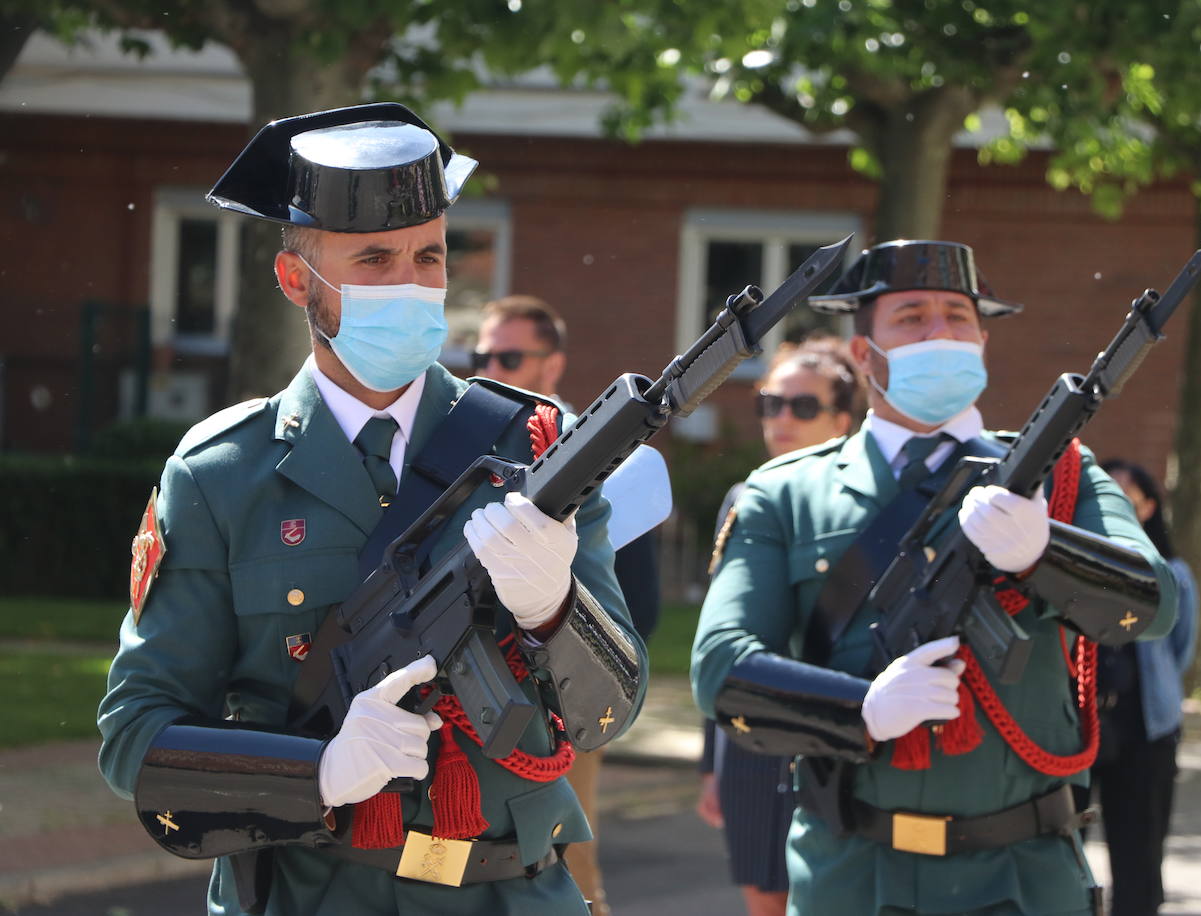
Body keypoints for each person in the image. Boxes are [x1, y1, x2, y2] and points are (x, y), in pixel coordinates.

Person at [97, 103, 647, 916]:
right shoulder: (223, 474)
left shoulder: (537, 445)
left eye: (430, 256)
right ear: (295, 281)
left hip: (510, 894)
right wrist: (312, 774)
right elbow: (136, 735)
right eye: (375, 259)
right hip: (311, 893)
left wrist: (555, 611)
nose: (412, 284)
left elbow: (613, 709)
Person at [691, 239, 1181, 916]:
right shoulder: (786, 494)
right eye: (912, 316)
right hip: (851, 876)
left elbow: (1155, 604)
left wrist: (1046, 552)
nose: (939, 333)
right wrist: (858, 711)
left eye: (956, 316)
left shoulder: (1061, 474)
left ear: (982, 340)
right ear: (864, 354)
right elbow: (722, 668)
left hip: (1023, 877)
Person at [472, 294, 663, 916]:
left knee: (566, 856)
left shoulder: (601, 448)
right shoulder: (463, 439)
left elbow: (638, 600)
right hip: (469, 690)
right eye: (481, 354)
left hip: (562, 689)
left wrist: (564, 638)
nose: (490, 365)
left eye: (509, 355)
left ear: (552, 367)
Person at [697, 338, 862, 916]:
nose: (783, 418)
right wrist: (709, 763)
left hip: (832, 729)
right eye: (772, 403)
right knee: (763, 902)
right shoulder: (745, 499)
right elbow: (719, 641)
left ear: (843, 420)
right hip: (750, 737)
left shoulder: (867, 507)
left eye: (803, 406)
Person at [1076, 460, 1198, 916]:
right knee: (1065, 851)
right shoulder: (1067, 568)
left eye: (1133, 501)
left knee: (1139, 856)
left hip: (1145, 730)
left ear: (1148, 510)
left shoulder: (1173, 575)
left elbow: (1179, 650)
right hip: (1077, 729)